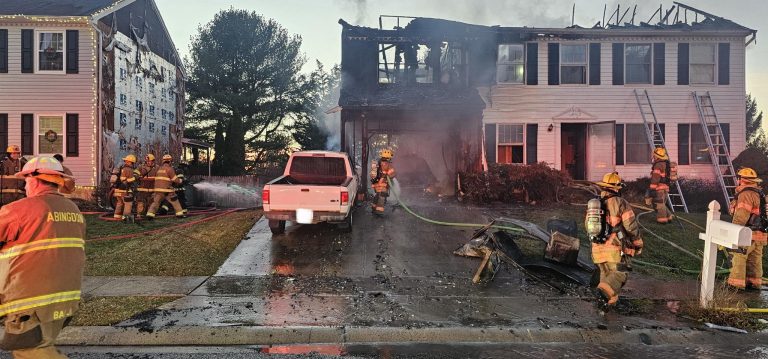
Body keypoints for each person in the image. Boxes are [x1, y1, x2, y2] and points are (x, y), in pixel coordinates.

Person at [0, 156, 85, 358]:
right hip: (63, 299)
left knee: (30, 352)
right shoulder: (73, 211)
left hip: (28, 302)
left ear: (35, 179)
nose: (25, 186)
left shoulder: (19, 209)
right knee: (43, 346)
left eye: (26, 180)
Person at [589, 172, 643, 307]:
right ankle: (602, 294)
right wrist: (637, 242)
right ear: (616, 188)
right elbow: (630, 225)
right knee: (620, 273)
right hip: (614, 249)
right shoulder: (620, 203)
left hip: (597, 249)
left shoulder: (595, 204)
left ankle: (606, 307)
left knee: (606, 277)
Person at [727, 167, 767, 290]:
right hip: (760, 234)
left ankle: (735, 286)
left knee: (739, 256)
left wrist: (734, 232)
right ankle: (754, 283)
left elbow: (741, 215)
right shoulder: (759, 193)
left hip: (747, 234)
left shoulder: (745, 194)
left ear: (741, 180)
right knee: (755, 260)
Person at [146, 154, 184, 219]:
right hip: (167, 190)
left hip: (158, 190)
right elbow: (175, 179)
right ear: (170, 161)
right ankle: (179, 214)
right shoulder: (170, 169)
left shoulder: (159, 169)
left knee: (155, 202)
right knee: (175, 201)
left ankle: (150, 215)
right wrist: (181, 181)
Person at [646, 147, 673, 224]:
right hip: (665, 188)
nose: (653, 157)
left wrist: (652, 189)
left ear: (657, 156)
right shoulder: (666, 164)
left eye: (654, 156)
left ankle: (662, 220)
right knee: (662, 204)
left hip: (659, 188)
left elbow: (655, 178)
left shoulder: (658, 165)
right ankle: (669, 217)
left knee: (659, 204)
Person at [109, 154, 139, 222]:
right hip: (125, 190)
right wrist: (135, 177)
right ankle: (126, 217)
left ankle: (117, 216)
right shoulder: (129, 169)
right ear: (130, 162)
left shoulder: (121, 168)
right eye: (133, 163)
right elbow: (128, 180)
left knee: (120, 203)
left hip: (117, 189)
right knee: (128, 203)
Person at [370, 149, 396, 216]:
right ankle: (379, 212)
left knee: (377, 195)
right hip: (382, 184)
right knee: (382, 197)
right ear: (388, 157)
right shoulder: (386, 164)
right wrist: (391, 175)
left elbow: (373, 174)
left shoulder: (378, 162)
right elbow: (392, 174)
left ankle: (373, 208)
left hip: (376, 184)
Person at [135, 154, 158, 220]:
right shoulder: (141, 167)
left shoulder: (157, 168)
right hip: (142, 188)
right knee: (140, 202)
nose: (148, 162)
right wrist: (136, 176)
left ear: (153, 161)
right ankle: (139, 214)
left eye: (149, 161)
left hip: (152, 188)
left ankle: (150, 215)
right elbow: (135, 173)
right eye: (147, 161)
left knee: (151, 202)